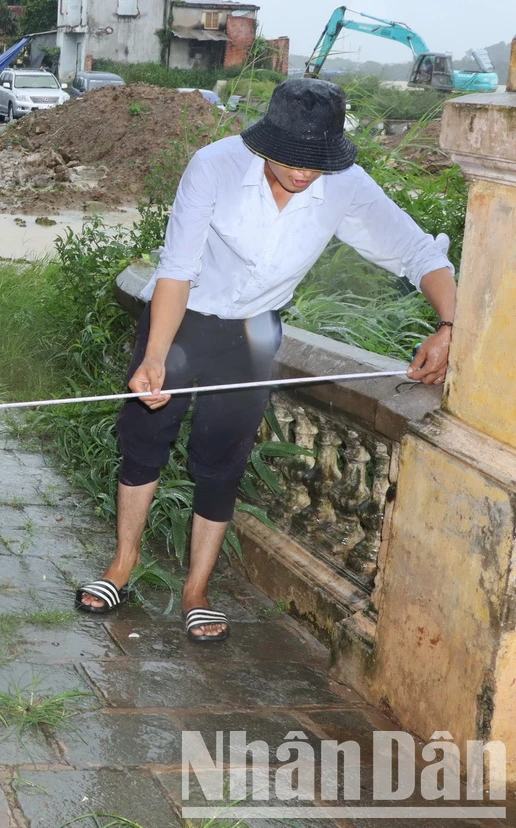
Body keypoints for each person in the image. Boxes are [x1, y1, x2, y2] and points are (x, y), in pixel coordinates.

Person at [74, 78, 454, 643]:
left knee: (222, 457)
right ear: (263, 141)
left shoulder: (345, 184)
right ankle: (122, 564)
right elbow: (177, 268)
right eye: (292, 160)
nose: (304, 174)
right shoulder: (214, 166)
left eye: (316, 163)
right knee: (145, 437)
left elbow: (417, 251)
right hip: (185, 317)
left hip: (254, 331)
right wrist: (155, 356)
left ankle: (197, 591)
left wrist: (450, 324)